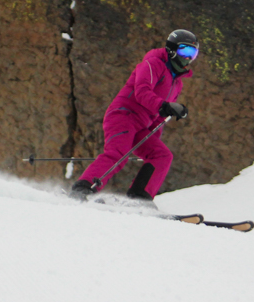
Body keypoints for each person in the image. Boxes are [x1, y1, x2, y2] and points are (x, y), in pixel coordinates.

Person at [70, 29, 199, 202]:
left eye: (194, 53)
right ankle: (82, 189)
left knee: (161, 155)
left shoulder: (177, 83)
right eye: (185, 50)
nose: (188, 57)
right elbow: (142, 92)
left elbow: (160, 117)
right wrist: (166, 106)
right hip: (123, 115)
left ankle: (140, 198)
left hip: (142, 126)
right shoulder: (153, 64)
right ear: (171, 49)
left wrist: (159, 124)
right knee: (118, 153)